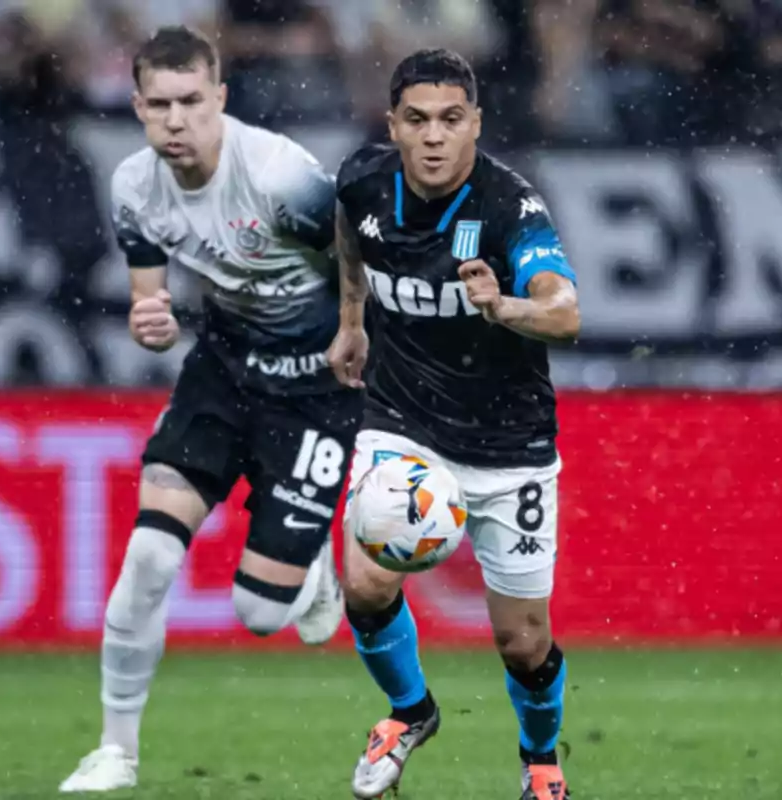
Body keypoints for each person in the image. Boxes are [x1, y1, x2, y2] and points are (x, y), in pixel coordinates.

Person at [60, 25, 360, 793]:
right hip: (225, 371)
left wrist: (357, 337)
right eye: (158, 104)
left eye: (192, 101)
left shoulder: (278, 176)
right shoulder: (133, 186)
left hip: (316, 388)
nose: (175, 120)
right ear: (136, 106)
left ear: (220, 98)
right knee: (150, 556)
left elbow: (362, 255)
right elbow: (149, 302)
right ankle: (115, 753)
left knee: (261, 614)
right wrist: (148, 321)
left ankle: (318, 553)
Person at [327, 48, 581, 800]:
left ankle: (539, 762)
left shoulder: (510, 207)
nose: (434, 137)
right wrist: (351, 321)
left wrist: (505, 307)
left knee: (522, 642)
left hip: (510, 444)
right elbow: (350, 235)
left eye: (450, 120)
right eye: (417, 120)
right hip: (402, 420)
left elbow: (565, 313)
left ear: (476, 124)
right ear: (393, 127)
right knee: (366, 581)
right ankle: (409, 714)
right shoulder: (362, 183)